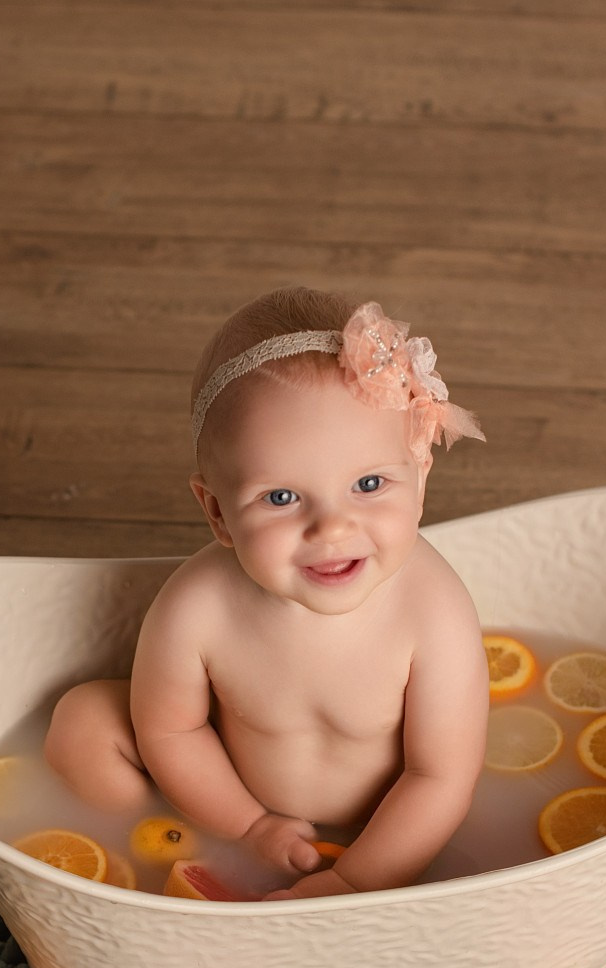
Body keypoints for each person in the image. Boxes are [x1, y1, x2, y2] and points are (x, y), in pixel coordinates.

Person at [44, 286, 490, 899]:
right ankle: (133, 861)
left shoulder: (433, 611)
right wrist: (246, 824)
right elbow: (172, 731)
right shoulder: (197, 605)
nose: (332, 528)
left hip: (389, 830)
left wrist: (356, 880)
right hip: (224, 803)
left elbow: (439, 777)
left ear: (420, 479)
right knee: (82, 723)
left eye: (368, 482)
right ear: (218, 512)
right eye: (281, 497)